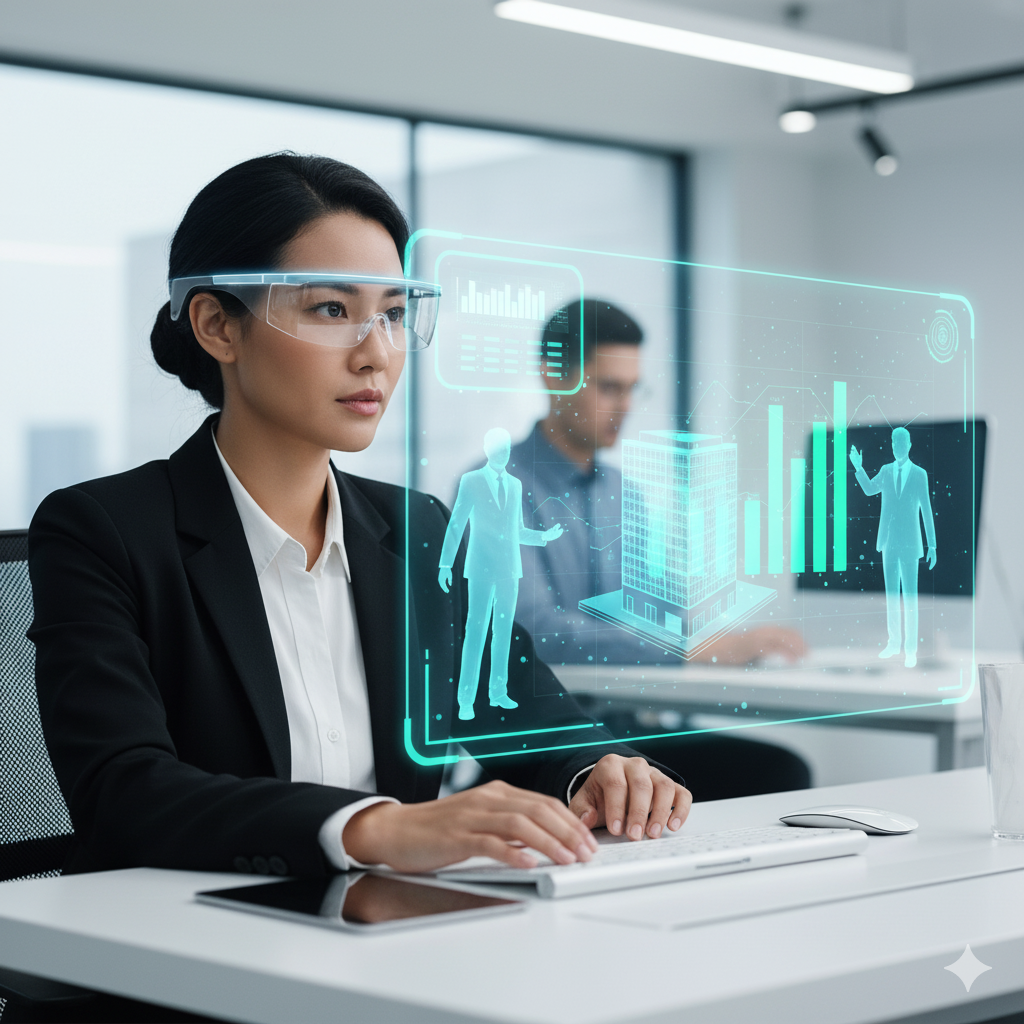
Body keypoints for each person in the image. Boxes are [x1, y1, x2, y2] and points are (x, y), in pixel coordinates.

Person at [28, 155, 691, 889]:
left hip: (384, 932)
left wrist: (594, 771)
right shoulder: (102, 531)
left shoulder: (421, 530)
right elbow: (123, 792)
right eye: (331, 310)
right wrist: (372, 827)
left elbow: (528, 718)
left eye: (395, 314)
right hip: (183, 948)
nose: (377, 353)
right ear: (218, 325)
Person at [512, 298, 807, 667]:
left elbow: (663, 615)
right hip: (553, 720)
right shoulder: (499, 490)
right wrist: (690, 650)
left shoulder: (624, 494)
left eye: (632, 388)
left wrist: (734, 642)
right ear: (553, 375)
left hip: (631, 714)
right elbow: (535, 632)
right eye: (608, 388)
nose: (625, 407)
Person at [439, 427, 563, 719]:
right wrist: (445, 564)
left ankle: (498, 692)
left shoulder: (516, 485)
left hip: (509, 570)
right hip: (480, 569)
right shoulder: (471, 481)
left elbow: (516, 530)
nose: (503, 454)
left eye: (506, 449)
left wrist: (544, 537)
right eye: (498, 449)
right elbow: (456, 523)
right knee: (475, 632)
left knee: (503, 635)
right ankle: (466, 699)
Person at [850, 427, 937, 668]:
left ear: (909, 445)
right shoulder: (886, 471)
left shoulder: (920, 475)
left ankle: (910, 649)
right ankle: (893, 642)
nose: (898, 447)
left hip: (910, 545)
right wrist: (858, 467)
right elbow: (869, 489)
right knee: (891, 597)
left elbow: (927, 510)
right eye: (894, 443)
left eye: (902, 443)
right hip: (889, 543)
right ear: (892, 446)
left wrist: (932, 545)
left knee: (910, 598)